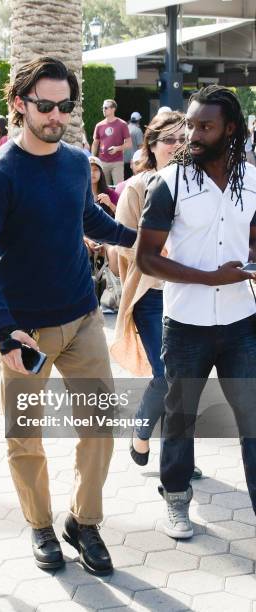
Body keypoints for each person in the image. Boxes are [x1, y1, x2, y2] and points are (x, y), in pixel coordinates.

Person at [0, 56, 137, 576]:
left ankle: (83, 522)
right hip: (25, 334)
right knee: (26, 436)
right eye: (46, 106)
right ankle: (40, 525)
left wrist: (141, 240)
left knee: (99, 427)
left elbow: (86, 216)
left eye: (65, 106)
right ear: (19, 104)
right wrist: (3, 332)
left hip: (83, 319)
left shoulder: (73, 161)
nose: (57, 116)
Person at [136, 85, 256, 539]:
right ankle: (176, 499)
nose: (192, 133)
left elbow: (254, 238)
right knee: (181, 417)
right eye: (189, 123)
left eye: (204, 125)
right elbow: (147, 257)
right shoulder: (169, 182)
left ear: (230, 130)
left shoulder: (253, 179)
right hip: (185, 324)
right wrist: (211, 278)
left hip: (242, 322)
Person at [111, 112, 189, 459]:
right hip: (151, 293)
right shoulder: (137, 187)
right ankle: (142, 428)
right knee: (166, 373)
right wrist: (156, 248)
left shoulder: (199, 183)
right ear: (152, 146)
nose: (178, 146)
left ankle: (179, 459)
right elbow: (119, 239)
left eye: (183, 139)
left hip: (191, 292)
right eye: (169, 140)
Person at [91, 99, 131, 185]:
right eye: (102, 108)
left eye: (106, 108)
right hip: (102, 162)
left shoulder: (122, 124)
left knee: (119, 187)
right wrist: (93, 159)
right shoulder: (99, 125)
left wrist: (117, 148)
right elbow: (95, 143)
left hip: (117, 162)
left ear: (113, 109)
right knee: (103, 188)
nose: (103, 110)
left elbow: (129, 144)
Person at [123, 112, 144, 180]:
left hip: (123, 160)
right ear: (138, 120)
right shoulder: (138, 130)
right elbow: (140, 146)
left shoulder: (125, 128)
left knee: (125, 180)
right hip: (134, 161)